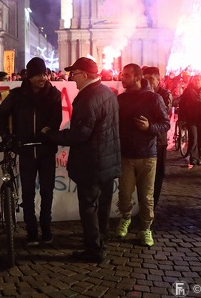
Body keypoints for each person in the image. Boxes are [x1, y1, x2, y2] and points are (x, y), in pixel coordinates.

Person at [42, 57, 120, 263]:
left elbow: (80, 135)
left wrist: (51, 134)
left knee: (89, 207)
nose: (71, 78)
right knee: (103, 205)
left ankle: (93, 250)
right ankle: (101, 239)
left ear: (85, 75)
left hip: (92, 163)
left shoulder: (87, 98)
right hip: (107, 160)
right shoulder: (107, 93)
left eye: (74, 74)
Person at [0, 57, 61, 246]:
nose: (44, 77)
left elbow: (56, 119)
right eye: (39, 74)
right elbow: (1, 115)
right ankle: (32, 231)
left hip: (46, 150)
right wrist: (7, 136)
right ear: (30, 76)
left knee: (47, 191)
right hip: (25, 152)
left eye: (45, 74)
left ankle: (46, 228)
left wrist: (47, 131)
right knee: (28, 193)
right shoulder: (17, 95)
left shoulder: (54, 94)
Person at [115, 64, 169, 247]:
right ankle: (126, 218)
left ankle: (146, 228)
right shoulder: (121, 99)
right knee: (124, 194)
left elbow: (165, 124)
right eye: (122, 75)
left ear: (137, 78)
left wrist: (149, 128)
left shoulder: (154, 98)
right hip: (126, 155)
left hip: (147, 155)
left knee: (146, 197)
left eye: (126, 76)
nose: (122, 79)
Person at [142, 67, 172, 207]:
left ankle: (153, 203)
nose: (148, 82)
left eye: (151, 79)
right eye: (145, 78)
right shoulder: (141, 93)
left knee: (157, 174)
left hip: (159, 140)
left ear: (158, 80)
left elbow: (163, 114)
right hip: (143, 140)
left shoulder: (164, 94)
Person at [178, 75, 201, 166]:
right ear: (192, 81)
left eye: (198, 80)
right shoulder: (187, 91)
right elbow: (182, 104)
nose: (197, 82)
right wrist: (182, 117)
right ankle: (193, 157)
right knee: (193, 138)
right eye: (195, 80)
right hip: (191, 119)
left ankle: (199, 156)